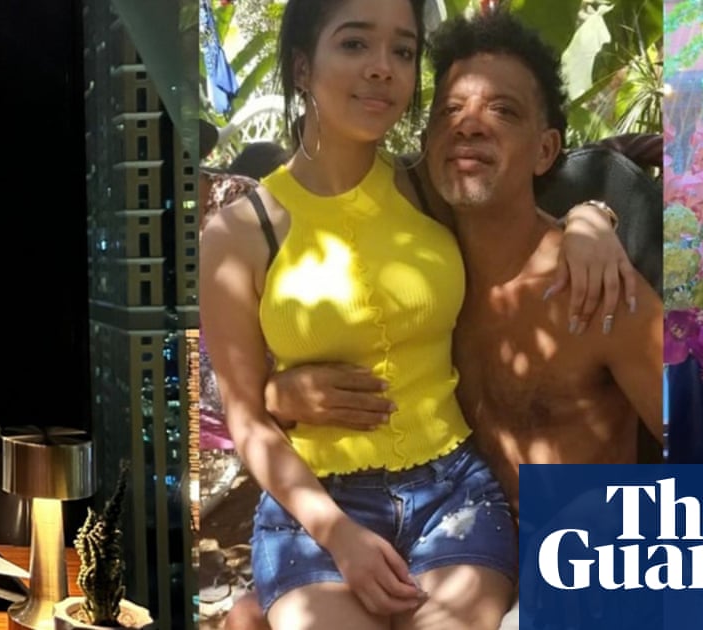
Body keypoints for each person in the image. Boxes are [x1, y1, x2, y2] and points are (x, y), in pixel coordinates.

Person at [204, 5, 654, 629]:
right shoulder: (263, 229)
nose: (382, 68)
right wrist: (279, 399)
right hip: (339, 509)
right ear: (303, 66)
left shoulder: (444, 200)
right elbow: (247, 412)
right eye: (355, 44)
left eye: (403, 51)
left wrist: (594, 217)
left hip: (498, 525)